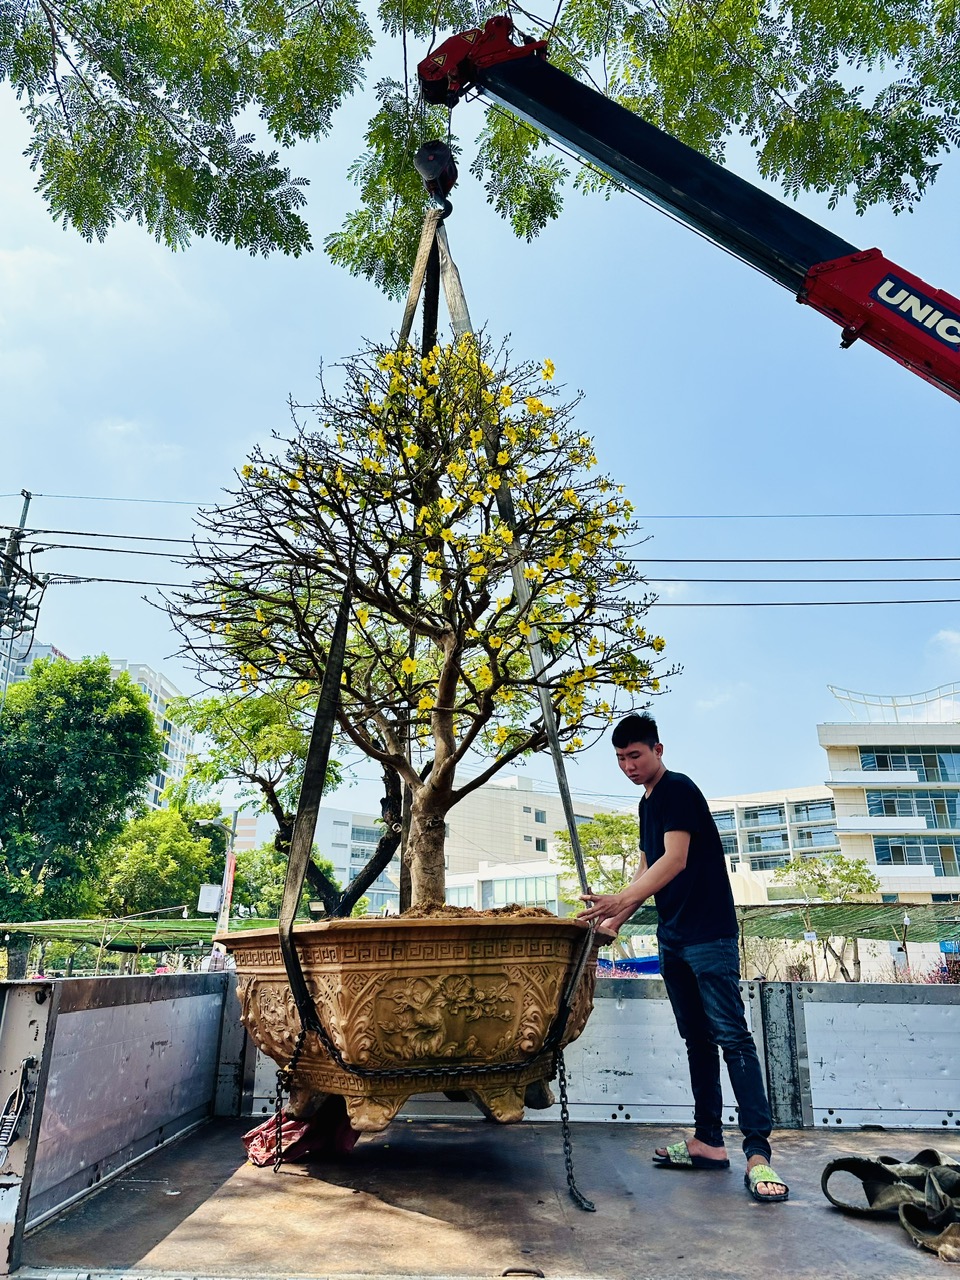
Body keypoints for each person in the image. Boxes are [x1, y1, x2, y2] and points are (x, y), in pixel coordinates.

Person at [578, 712, 788, 1204]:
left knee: (732, 1038)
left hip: (708, 935)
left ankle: (758, 1154)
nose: (629, 766)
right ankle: (708, 1142)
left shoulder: (678, 789)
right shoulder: (646, 804)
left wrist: (617, 900)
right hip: (673, 938)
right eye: (621, 759)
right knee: (696, 1039)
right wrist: (616, 918)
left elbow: (676, 859)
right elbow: (649, 865)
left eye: (636, 755)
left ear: (658, 750)